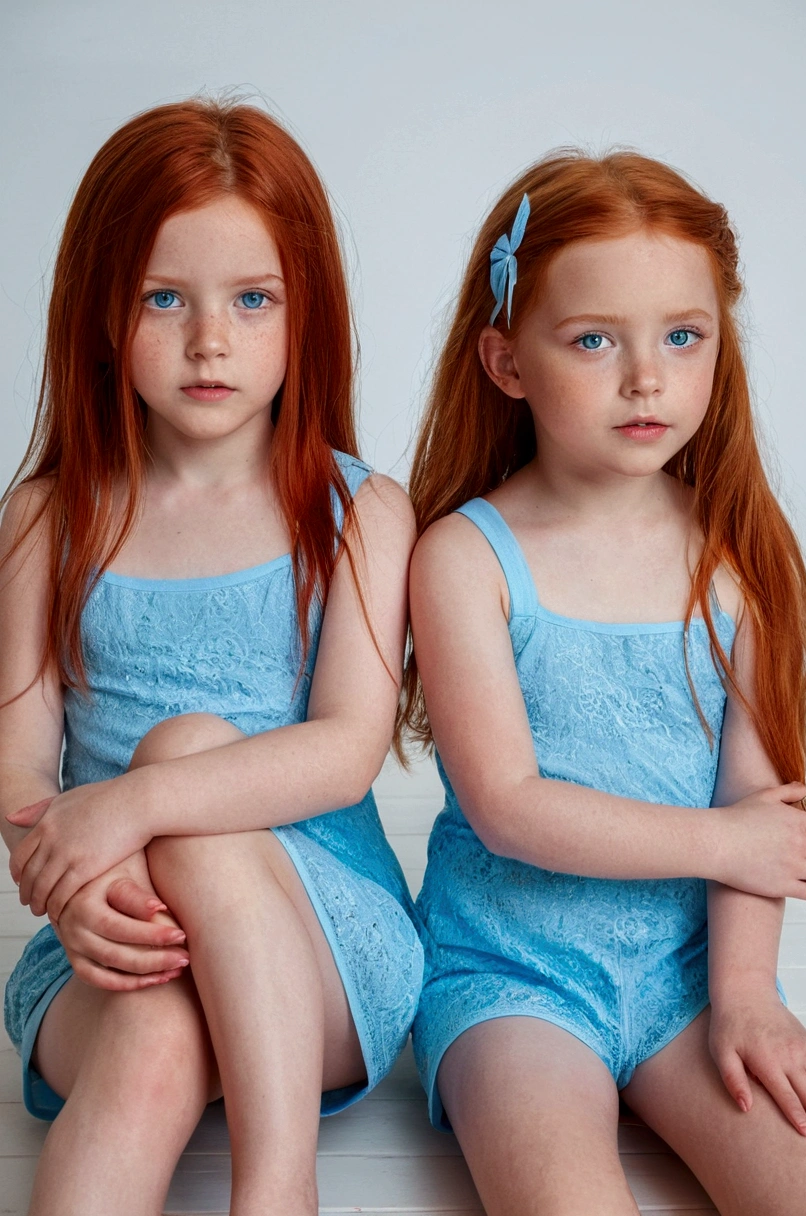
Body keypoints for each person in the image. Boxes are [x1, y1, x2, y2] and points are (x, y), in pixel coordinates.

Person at [0, 98, 422, 1216]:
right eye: (162, 298)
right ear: (100, 312)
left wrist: (136, 802)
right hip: (117, 920)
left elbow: (341, 752)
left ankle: (276, 1187)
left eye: (251, 299)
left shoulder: (361, 513)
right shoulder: (49, 519)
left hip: (322, 937)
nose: (209, 340)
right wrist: (71, 872)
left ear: (306, 315)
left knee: (184, 744)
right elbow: (21, 759)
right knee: (148, 1037)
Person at [404, 151, 806, 1215]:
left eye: (681, 337)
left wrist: (742, 998)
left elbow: (757, 803)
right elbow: (506, 807)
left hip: (693, 976)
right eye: (593, 340)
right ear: (506, 363)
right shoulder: (463, 558)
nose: (647, 378)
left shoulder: (739, 556)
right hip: (514, 973)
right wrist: (726, 843)